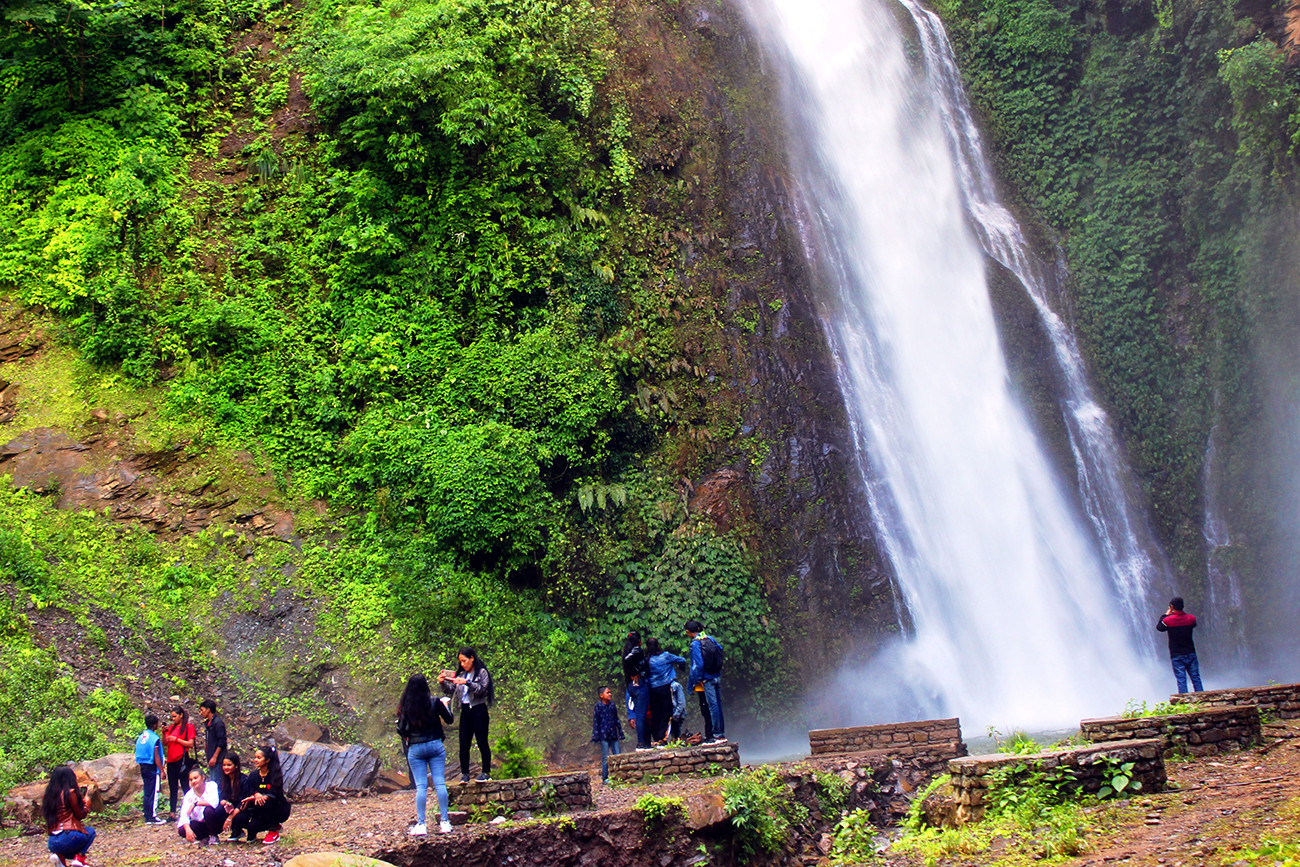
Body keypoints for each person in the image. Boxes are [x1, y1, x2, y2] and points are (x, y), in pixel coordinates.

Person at [397, 673, 455, 835]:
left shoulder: (406, 705)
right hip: (435, 745)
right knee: (440, 783)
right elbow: (449, 719)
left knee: (421, 787)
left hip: (416, 748)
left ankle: (421, 824)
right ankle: (445, 822)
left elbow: (401, 729)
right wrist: (446, 705)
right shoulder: (435, 701)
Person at [439, 647, 494, 783]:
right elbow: (452, 690)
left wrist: (468, 683)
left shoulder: (481, 672)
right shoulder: (462, 674)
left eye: (465, 661)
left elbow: (483, 690)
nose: (463, 664)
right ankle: (465, 774)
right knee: (464, 743)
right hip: (465, 710)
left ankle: (486, 772)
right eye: (461, 662)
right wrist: (443, 682)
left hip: (478, 709)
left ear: (472, 658)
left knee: (482, 741)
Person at [229, 745, 291, 844]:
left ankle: (273, 830)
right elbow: (250, 790)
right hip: (258, 808)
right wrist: (256, 794)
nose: (255, 760)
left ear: (267, 760)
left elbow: (276, 794)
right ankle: (244, 831)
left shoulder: (275, 774)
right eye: (255, 758)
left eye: (259, 758)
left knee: (265, 802)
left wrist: (265, 797)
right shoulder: (254, 775)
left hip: (276, 808)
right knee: (249, 825)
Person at [43, 766, 95, 867]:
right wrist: (87, 803)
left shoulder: (47, 795)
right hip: (68, 837)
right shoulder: (70, 793)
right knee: (90, 832)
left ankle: (59, 857)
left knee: (66, 846)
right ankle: (79, 858)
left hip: (52, 842)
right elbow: (80, 814)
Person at [686, 620, 725, 743]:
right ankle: (721, 733)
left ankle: (716, 735)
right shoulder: (710, 638)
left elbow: (697, 665)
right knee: (718, 705)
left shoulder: (695, 644)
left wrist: (695, 681)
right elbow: (720, 649)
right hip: (716, 676)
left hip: (707, 679)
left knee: (712, 706)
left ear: (688, 632)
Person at [1157, 597, 1204, 694]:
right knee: (1196, 678)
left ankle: (1184, 702)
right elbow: (1193, 624)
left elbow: (1160, 627)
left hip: (1177, 655)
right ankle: (1202, 699)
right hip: (1190, 653)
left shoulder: (1168, 621)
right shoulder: (1191, 618)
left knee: (1181, 680)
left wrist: (1166, 614)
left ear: (1172, 607)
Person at [645, 638, 686, 744]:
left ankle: (658, 738)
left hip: (653, 689)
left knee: (656, 713)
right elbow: (682, 660)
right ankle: (666, 737)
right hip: (666, 687)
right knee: (666, 713)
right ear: (658, 645)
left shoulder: (647, 659)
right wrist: (679, 666)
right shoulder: (666, 656)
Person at [161, 705, 197, 818]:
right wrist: (164, 733)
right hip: (171, 760)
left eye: (175, 716)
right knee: (173, 787)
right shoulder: (171, 727)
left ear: (181, 716)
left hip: (182, 760)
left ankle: (189, 811)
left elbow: (190, 744)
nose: (173, 719)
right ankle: (172, 812)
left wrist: (176, 740)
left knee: (185, 786)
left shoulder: (188, 727)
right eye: (171, 717)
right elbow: (165, 743)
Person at [177, 766, 224, 845]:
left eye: (195, 778)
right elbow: (184, 814)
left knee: (208, 810)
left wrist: (196, 803)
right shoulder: (189, 795)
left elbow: (214, 803)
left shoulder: (211, 786)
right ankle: (203, 837)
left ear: (202, 777)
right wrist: (188, 829)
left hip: (214, 820)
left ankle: (214, 836)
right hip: (200, 823)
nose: (193, 781)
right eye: (191, 780)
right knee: (182, 829)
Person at [621, 631, 651, 750]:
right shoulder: (637, 651)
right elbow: (632, 661)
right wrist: (637, 672)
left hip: (631, 685)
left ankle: (642, 742)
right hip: (640, 684)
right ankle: (641, 743)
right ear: (639, 641)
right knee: (641, 716)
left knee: (639, 715)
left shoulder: (625, 652)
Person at [134, 714, 166, 825]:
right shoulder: (154, 738)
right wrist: (161, 769)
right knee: (153, 791)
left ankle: (147, 814)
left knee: (147, 791)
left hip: (143, 765)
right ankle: (152, 816)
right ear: (154, 725)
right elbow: (156, 755)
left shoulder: (142, 736)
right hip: (152, 767)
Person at [590, 686, 624, 784]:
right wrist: (595, 736)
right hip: (604, 735)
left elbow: (616, 719)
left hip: (613, 734)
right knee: (605, 757)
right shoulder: (598, 706)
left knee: (618, 755)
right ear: (601, 695)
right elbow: (596, 721)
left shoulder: (612, 705)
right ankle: (605, 778)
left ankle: (620, 775)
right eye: (607, 693)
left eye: (610, 692)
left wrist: (621, 733)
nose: (610, 694)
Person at [198, 700, 227, 785]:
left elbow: (221, 741)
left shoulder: (218, 723)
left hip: (218, 759)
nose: (201, 713)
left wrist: (215, 757)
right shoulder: (208, 723)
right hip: (211, 756)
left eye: (202, 710)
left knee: (217, 782)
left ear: (208, 710)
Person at [216, 752, 244, 835]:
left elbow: (243, 801)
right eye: (224, 765)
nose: (226, 767)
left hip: (241, 809)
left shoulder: (244, 780)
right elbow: (220, 797)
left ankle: (239, 830)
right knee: (218, 810)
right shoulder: (223, 781)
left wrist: (230, 817)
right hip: (229, 808)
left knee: (240, 817)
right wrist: (225, 803)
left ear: (235, 766)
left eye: (229, 765)